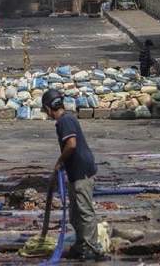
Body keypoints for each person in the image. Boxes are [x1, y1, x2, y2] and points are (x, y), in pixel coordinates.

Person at [41, 89, 104, 260]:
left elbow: (71, 144)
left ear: (48, 108)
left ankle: (93, 249)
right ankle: (80, 245)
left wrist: (59, 162)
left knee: (85, 212)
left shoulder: (65, 121)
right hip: (76, 172)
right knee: (75, 214)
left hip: (82, 171)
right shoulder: (65, 119)